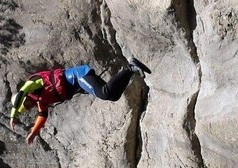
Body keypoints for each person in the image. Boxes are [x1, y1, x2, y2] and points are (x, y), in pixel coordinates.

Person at [9, 57, 151, 144]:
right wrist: (33, 133)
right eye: (28, 107)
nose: (30, 105)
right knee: (113, 96)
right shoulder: (39, 99)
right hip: (80, 82)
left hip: (78, 76)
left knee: (104, 93)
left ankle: (130, 67)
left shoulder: (34, 84)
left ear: (25, 97)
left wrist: (13, 115)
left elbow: (23, 90)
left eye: (27, 103)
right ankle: (131, 70)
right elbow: (43, 115)